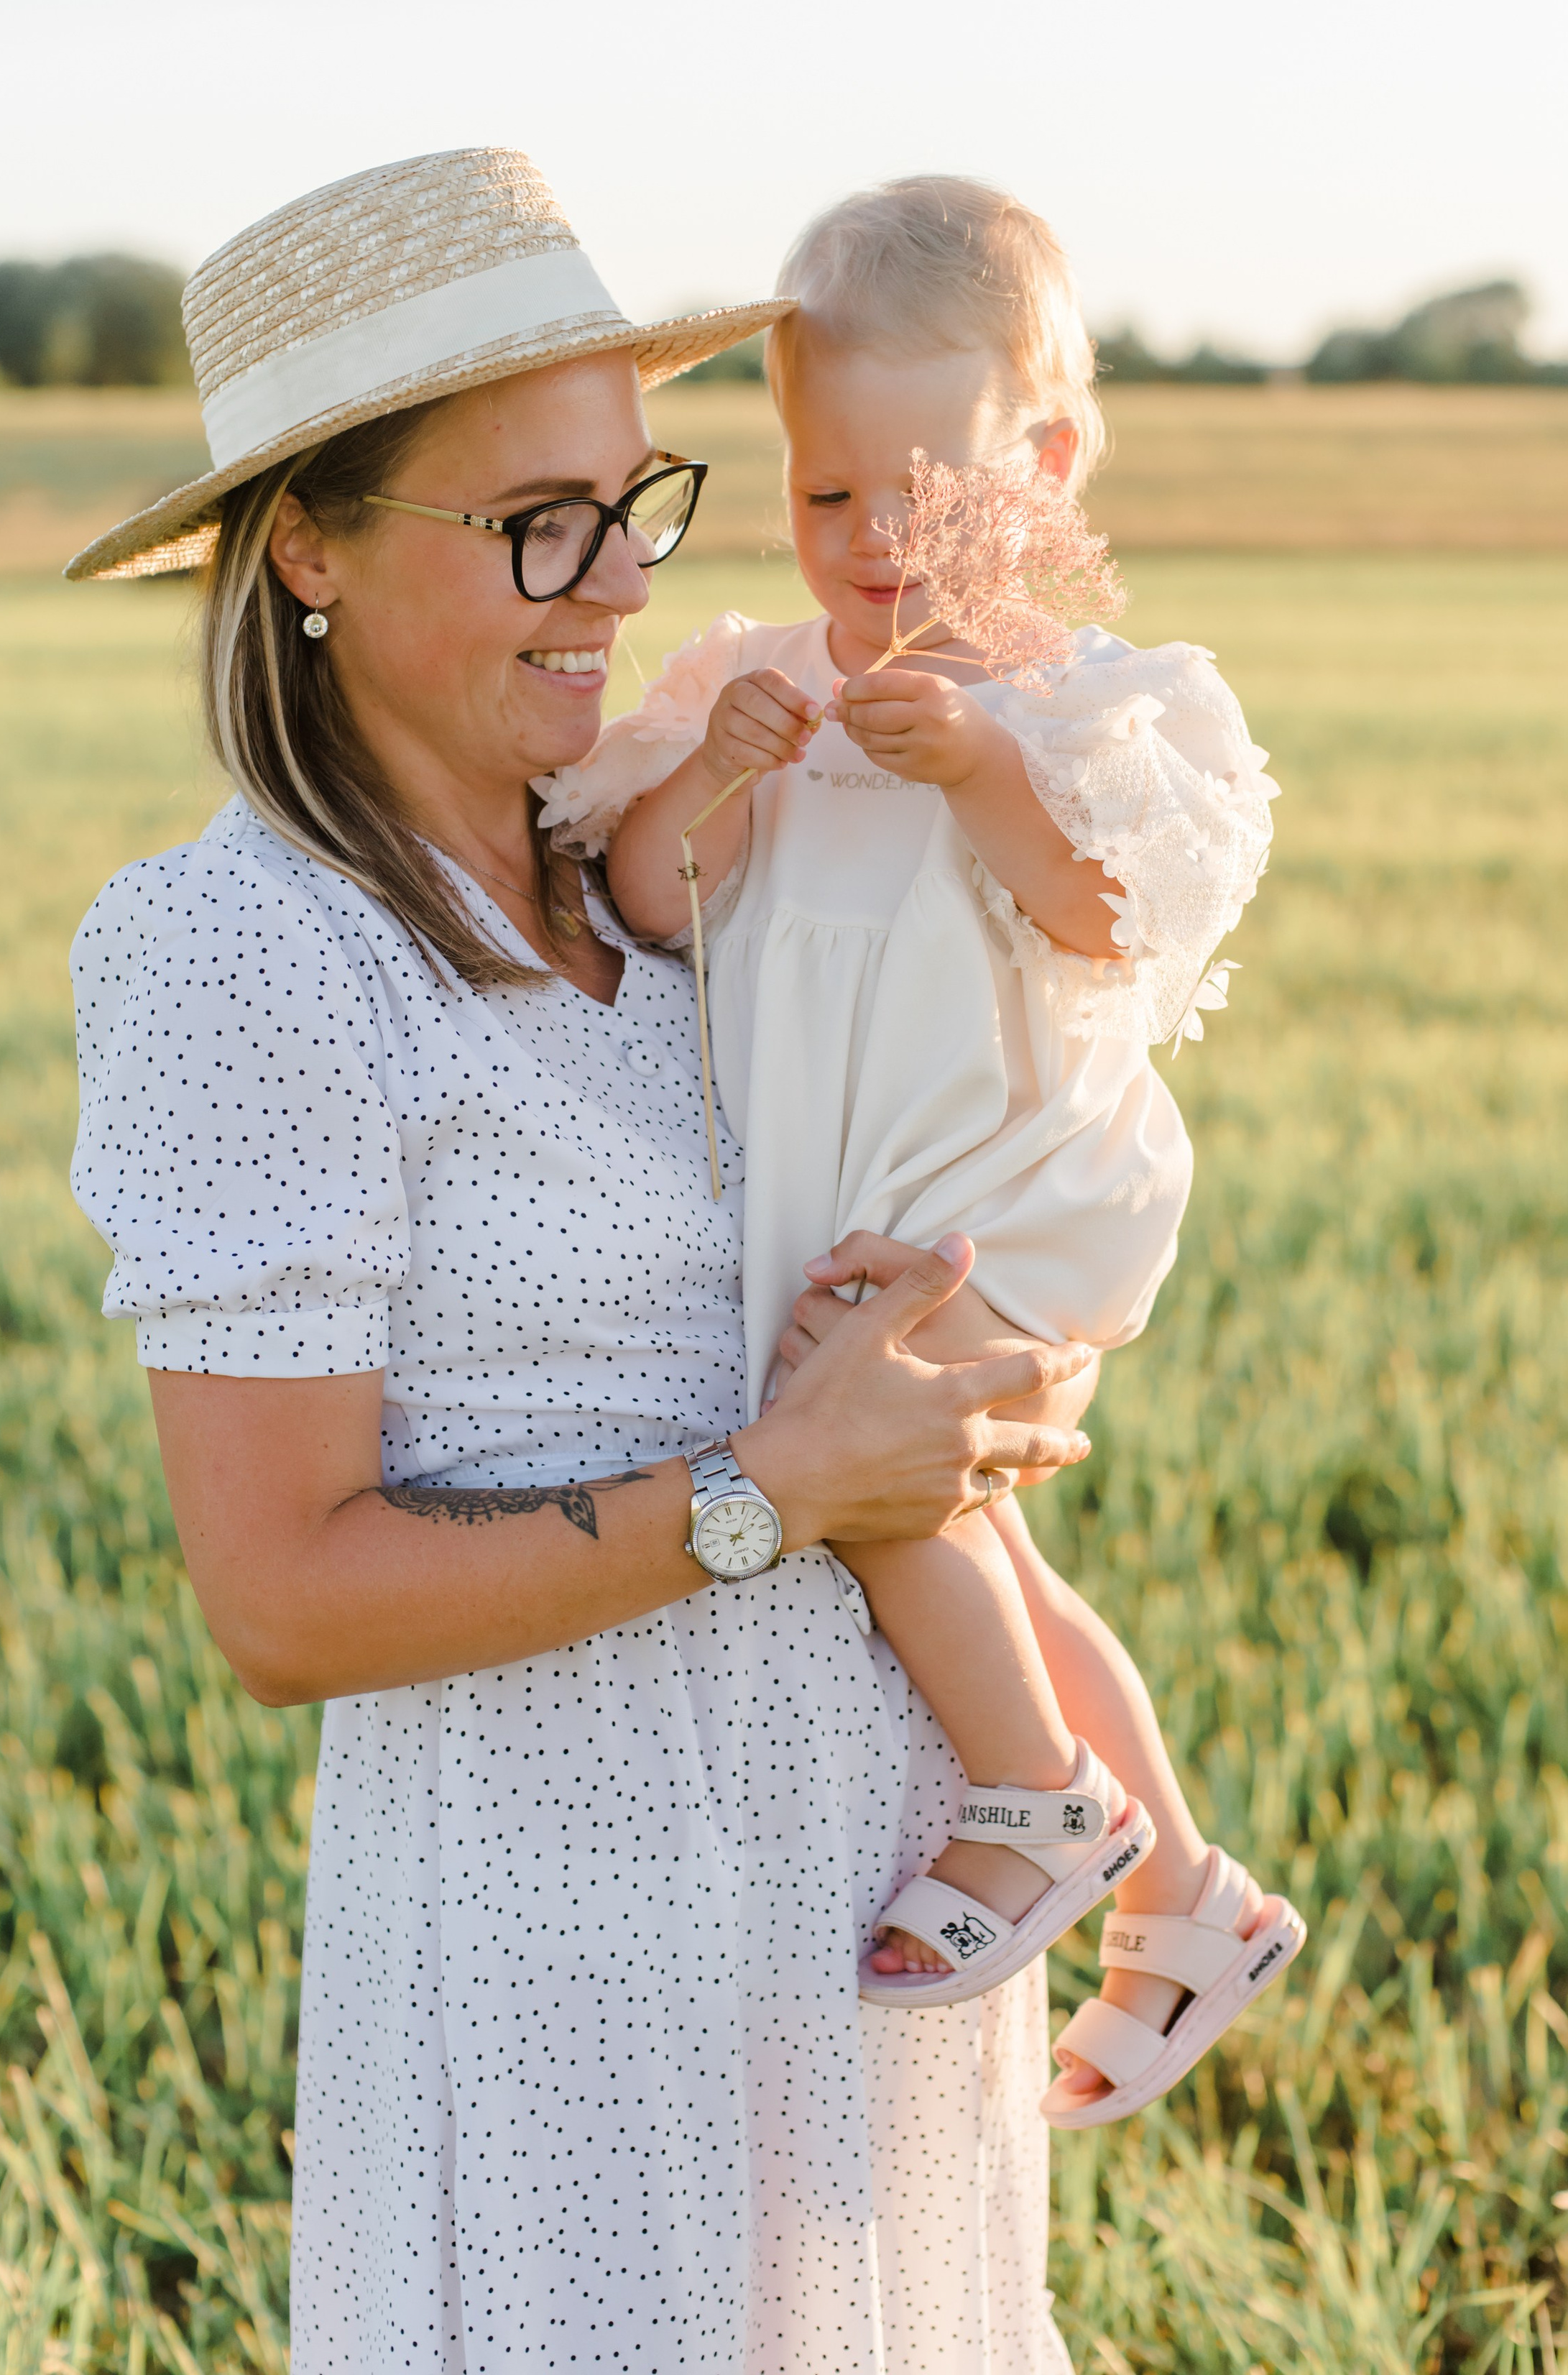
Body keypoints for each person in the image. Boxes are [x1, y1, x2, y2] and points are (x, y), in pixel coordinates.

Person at [66, 147, 1103, 2374]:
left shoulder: (664, 853)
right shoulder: (249, 950)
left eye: (643, 502)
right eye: (542, 520)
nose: (624, 583)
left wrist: (983, 1388)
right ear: (311, 550)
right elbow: (277, 1596)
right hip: (571, 1966)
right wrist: (784, 1486)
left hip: (878, 1912)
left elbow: (896, 1216)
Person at [540, 176, 1305, 2123]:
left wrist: (988, 769)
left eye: (928, 492)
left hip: (1001, 1203)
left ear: (1044, 461)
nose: (872, 549)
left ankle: (1042, 1802)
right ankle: (1195, 1892)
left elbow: (1116, 920)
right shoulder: (755, 696)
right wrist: (710, 774)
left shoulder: (1094, 712)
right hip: (843, 1199)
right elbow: (644, 903)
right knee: (980, 1538)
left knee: (891, 1487)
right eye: (821, 497)